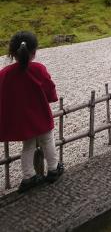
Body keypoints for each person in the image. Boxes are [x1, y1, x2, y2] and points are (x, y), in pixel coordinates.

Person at [0, 31, 64, 193]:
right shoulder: (39, 69)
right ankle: (53, 169)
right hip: (40, 114)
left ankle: (28, 177)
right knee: (48, 141)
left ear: (12, 53)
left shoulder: (5, 74)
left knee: (27, 146)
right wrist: (50, 98)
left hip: (22, 119)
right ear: (34, 52)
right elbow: (49, 89)